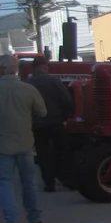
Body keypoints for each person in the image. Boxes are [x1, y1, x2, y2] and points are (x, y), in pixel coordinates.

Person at [0, 53, 47, 223]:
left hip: (3, 144)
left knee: (5, 182)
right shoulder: (28, 89)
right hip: (25, 142)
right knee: (29, 182)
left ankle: (12, 220)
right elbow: (42, 112)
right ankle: (34, 217)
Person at [27, 57, 73, 192]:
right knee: (62, 150)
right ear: (44, 67)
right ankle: (67, 180)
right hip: (55, 122)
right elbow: (66, 100)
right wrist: (65, 116)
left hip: (37, 124)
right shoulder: (53, 81)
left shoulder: (28, 83)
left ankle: (49, 183)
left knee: (43, 153)